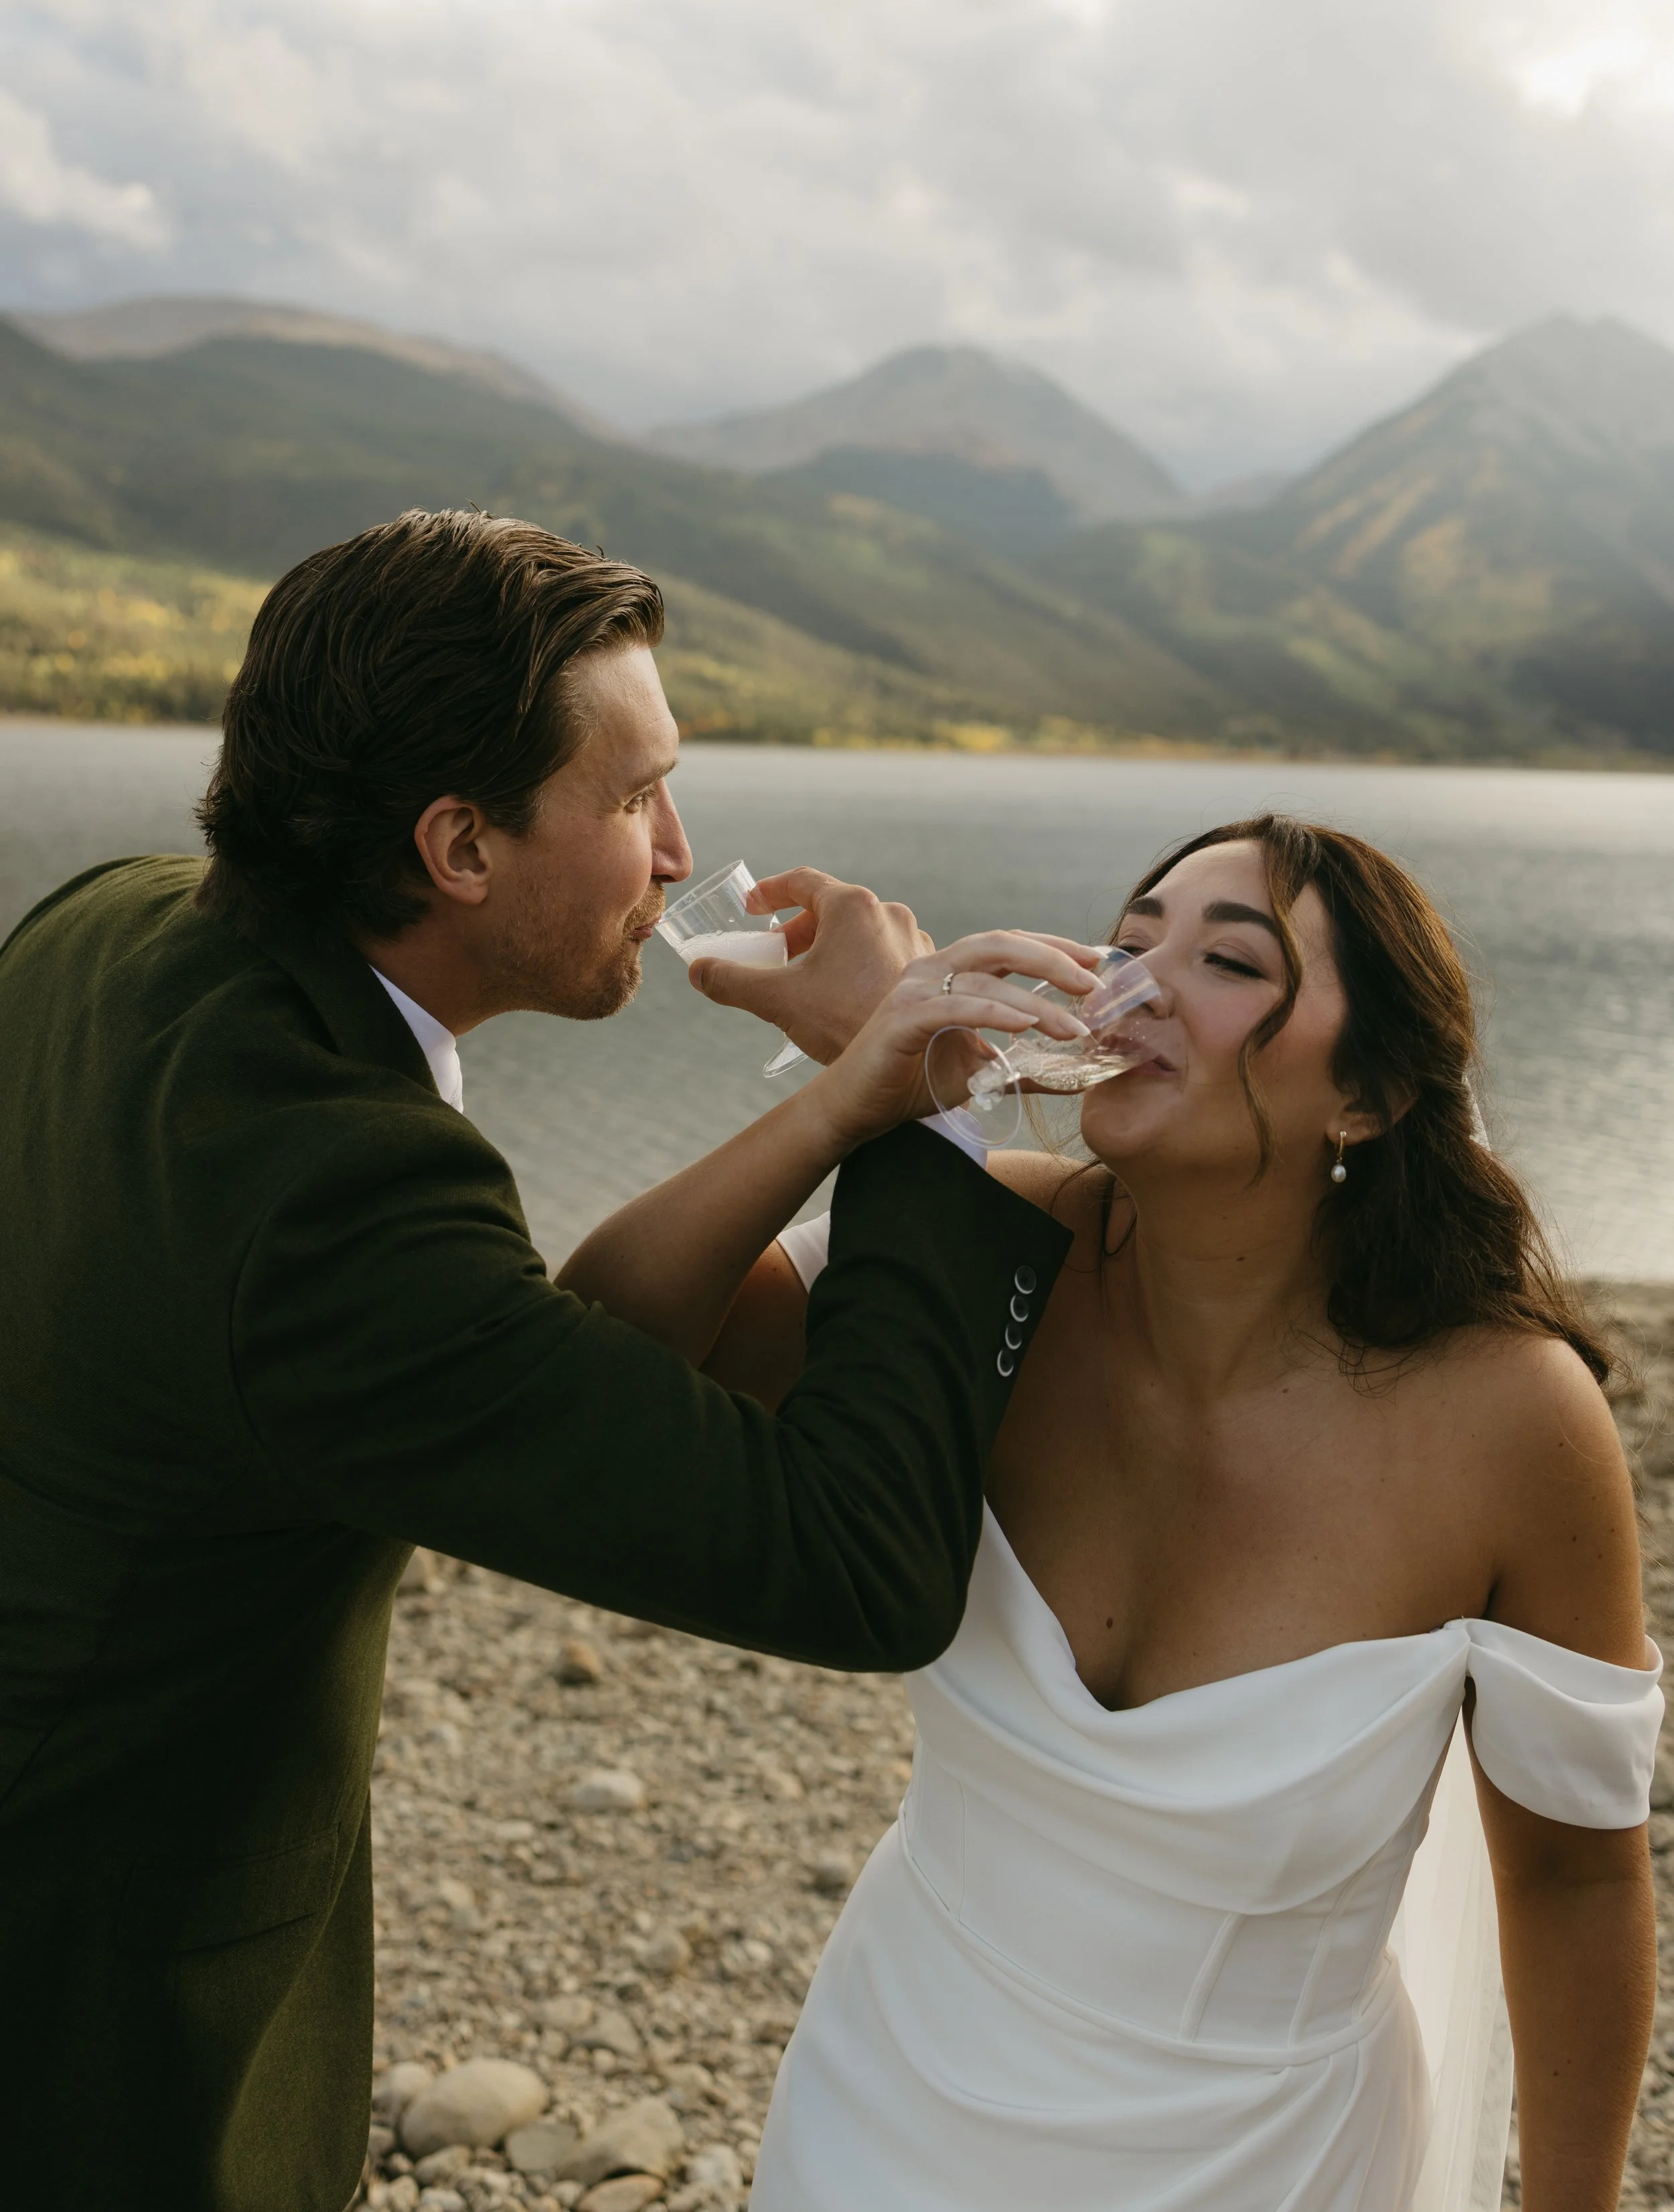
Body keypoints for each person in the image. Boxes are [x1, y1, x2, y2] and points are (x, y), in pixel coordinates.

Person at [0, 507, 1095, 2212]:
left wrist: (840, 1091)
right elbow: (856, 1565)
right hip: (91, 2010)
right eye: (634, 793)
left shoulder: (117, 929)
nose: (678, 850)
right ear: (458, 846)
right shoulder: (337, 1207)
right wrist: (929, 1126)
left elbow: (544, 1356)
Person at [581, 814, 1664, 2212]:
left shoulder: (1509, 1421)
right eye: (1129, 935)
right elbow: (607, 1351)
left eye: (1225, 958)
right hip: (889, 2105)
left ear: (1371, 1094)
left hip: (1269, 2161)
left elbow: (1576, 1879)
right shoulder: (987, 1253)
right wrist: (858, 1093)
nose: (1134, 983)